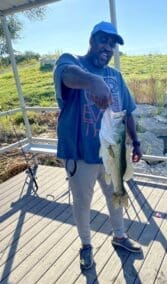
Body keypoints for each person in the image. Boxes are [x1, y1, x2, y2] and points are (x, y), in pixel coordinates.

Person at [54, 21, 142, 270]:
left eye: (113, 44)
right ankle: (86, 245)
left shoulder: (117, 76)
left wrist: (135, 142)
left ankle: (120, 236)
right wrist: (93, 82)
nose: (108, 47)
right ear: (92, 40)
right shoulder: (72, 62)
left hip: (112, 154)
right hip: (80, 155)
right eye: (104, 40)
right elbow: (67, 74)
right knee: (82, 203)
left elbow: (128, 112)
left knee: (116, 195)